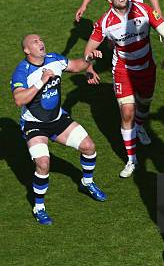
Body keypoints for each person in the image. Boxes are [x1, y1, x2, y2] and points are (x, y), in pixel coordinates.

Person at [10, 34, 106, 225]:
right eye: (34, 42)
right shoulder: (22, 71)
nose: (41, 43)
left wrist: (89, 60)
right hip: (34, 125)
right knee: (43, 164)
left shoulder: (55, 59)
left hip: (57, 119)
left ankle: (87, 182)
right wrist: (42, 81)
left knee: (89, 147)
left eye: (41, 40)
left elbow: (77, 65)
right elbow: (19, 99)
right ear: (27, 50)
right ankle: (39, 207)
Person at [83, 0, 164, 177]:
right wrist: (91, 61)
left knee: (144, 103)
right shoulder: (105, 22)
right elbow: (88, 51)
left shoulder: (143, 10)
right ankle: (132, 160)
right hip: (123, 70)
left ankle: (140, 126)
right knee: (126, 112)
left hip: (146, 68)